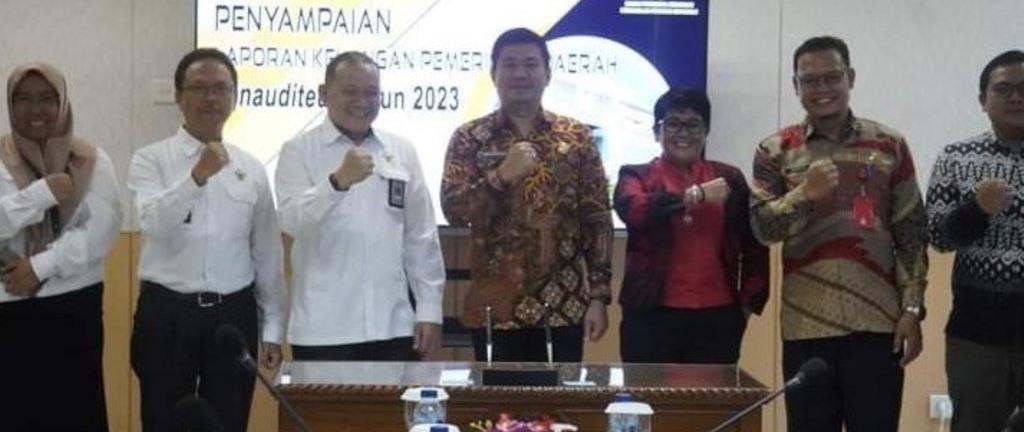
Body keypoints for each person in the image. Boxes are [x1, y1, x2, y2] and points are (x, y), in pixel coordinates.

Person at [749, 36, 928, 432]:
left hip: (878, 323)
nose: (822, 88)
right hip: (806, 325)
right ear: (796, 86)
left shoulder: (889, 145)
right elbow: (762, 229)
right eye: (810, 80)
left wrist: (913, 310)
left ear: (851, 78)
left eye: (832, 77)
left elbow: (912, 232)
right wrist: (804, 194)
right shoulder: (775, 150)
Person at [127, 48, 285, 432]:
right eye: (199, 88)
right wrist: (197, 176)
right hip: (167, 313)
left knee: (229, 423)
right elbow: (153, 223)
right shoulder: (151, 159)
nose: (211, 98)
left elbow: (266, 252)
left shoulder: (251, 168)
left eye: (221, 89)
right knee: (163, 422)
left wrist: (273, 328)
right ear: (179, 97)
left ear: (234, 97)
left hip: (233, 315)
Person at [440, 28, 613, 362]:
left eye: (531, 64)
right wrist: (501, 175)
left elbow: (597, 219)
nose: (520, 74)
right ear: (494, 73)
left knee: (559, 397)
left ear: (548, 74)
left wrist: (598, 297)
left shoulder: (576, 137)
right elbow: (454, 210)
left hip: (563, 307)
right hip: (494, 309)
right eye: (510, 64)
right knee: (496, 398)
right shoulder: (470, 137)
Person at [276, 51, 445, 361]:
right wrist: (336, 183)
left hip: (394, 325)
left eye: (371, 93)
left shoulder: (401, 150)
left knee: (394, 399)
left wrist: (429, 308)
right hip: (324, 328)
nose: (362, 101)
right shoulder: (298, 150)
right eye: (350, 92)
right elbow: (289, 221)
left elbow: (421, 236)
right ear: (324, 94)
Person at [0, 62, 122, 431]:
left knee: (75, 412)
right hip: (8, 310)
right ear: (10, 105)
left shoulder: (91, 159)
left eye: (46, 98)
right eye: (23, 99)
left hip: (74, 308)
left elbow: (101, 230)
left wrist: (40, 267)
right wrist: (39, 195)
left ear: (63, 102)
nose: (35, 109)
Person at [613, 88, 768, 364]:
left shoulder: (729, 178)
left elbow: (754, 243)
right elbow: (633, 209)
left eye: (693, 124)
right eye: (673, 123)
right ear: (656, 131)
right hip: (650, 316)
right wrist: (693, 196)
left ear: (705, 132)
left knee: (712, 393)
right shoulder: (636, 175)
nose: (683, 132)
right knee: (647, 393)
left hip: (719, 315)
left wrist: (748, 304)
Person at [926, 49, 1024, 432]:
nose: (1015, 97)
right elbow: (938, 237)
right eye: (1003, 89)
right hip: (977, 332)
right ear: (983, 100)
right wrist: (977, 209)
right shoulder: (956, 158)